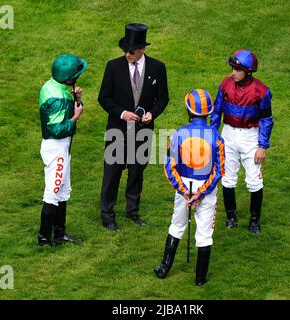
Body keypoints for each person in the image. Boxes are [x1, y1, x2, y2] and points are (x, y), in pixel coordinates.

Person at [98, 23, 169, 232]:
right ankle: (107, 216)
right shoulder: (113, 67)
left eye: (131, 51)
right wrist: (121, 113)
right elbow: (104, 98)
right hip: (118, 129)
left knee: (137, 173)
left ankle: (132, 211)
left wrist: (151, 114)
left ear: (142, 49)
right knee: (112, 173)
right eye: (125, 51)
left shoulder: (157, 68)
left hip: (143, 131)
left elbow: (163, 98)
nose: (127, 54)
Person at [154, 89, 225, 286]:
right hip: (206, 190)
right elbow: (219, 171)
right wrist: (201, 194)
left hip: (184, 186)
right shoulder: (217, 137)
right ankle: (200, 279)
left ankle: (164, 268)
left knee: (176, 225)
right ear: (208, 113)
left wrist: (184, 191)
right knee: (204, 234)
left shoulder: (178, 134)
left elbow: (169, 166)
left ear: (189, 110)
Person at [211, 49, 274, 235]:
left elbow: (267, 119)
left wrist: (262, 146)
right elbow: (216, 112)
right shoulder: (225, 84)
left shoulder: (262, 91)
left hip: (250, 137)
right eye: (232, 68)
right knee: (228, 178)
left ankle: (254, 221)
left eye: (236, 69)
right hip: (228, 134)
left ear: (248, 71)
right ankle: (231, 217)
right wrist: (214, 137)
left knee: (254, 180)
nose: (232, 73)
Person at [38, 54, 87, 246]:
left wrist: (77, 99)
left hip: (60, 148)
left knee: (63, 189)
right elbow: (55, 130)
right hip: (56, 148)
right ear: (68, 78)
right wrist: (76, 116)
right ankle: (44, 238)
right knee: (53, 191)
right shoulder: (57, 99)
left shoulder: (52, 86)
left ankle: (60, 234)